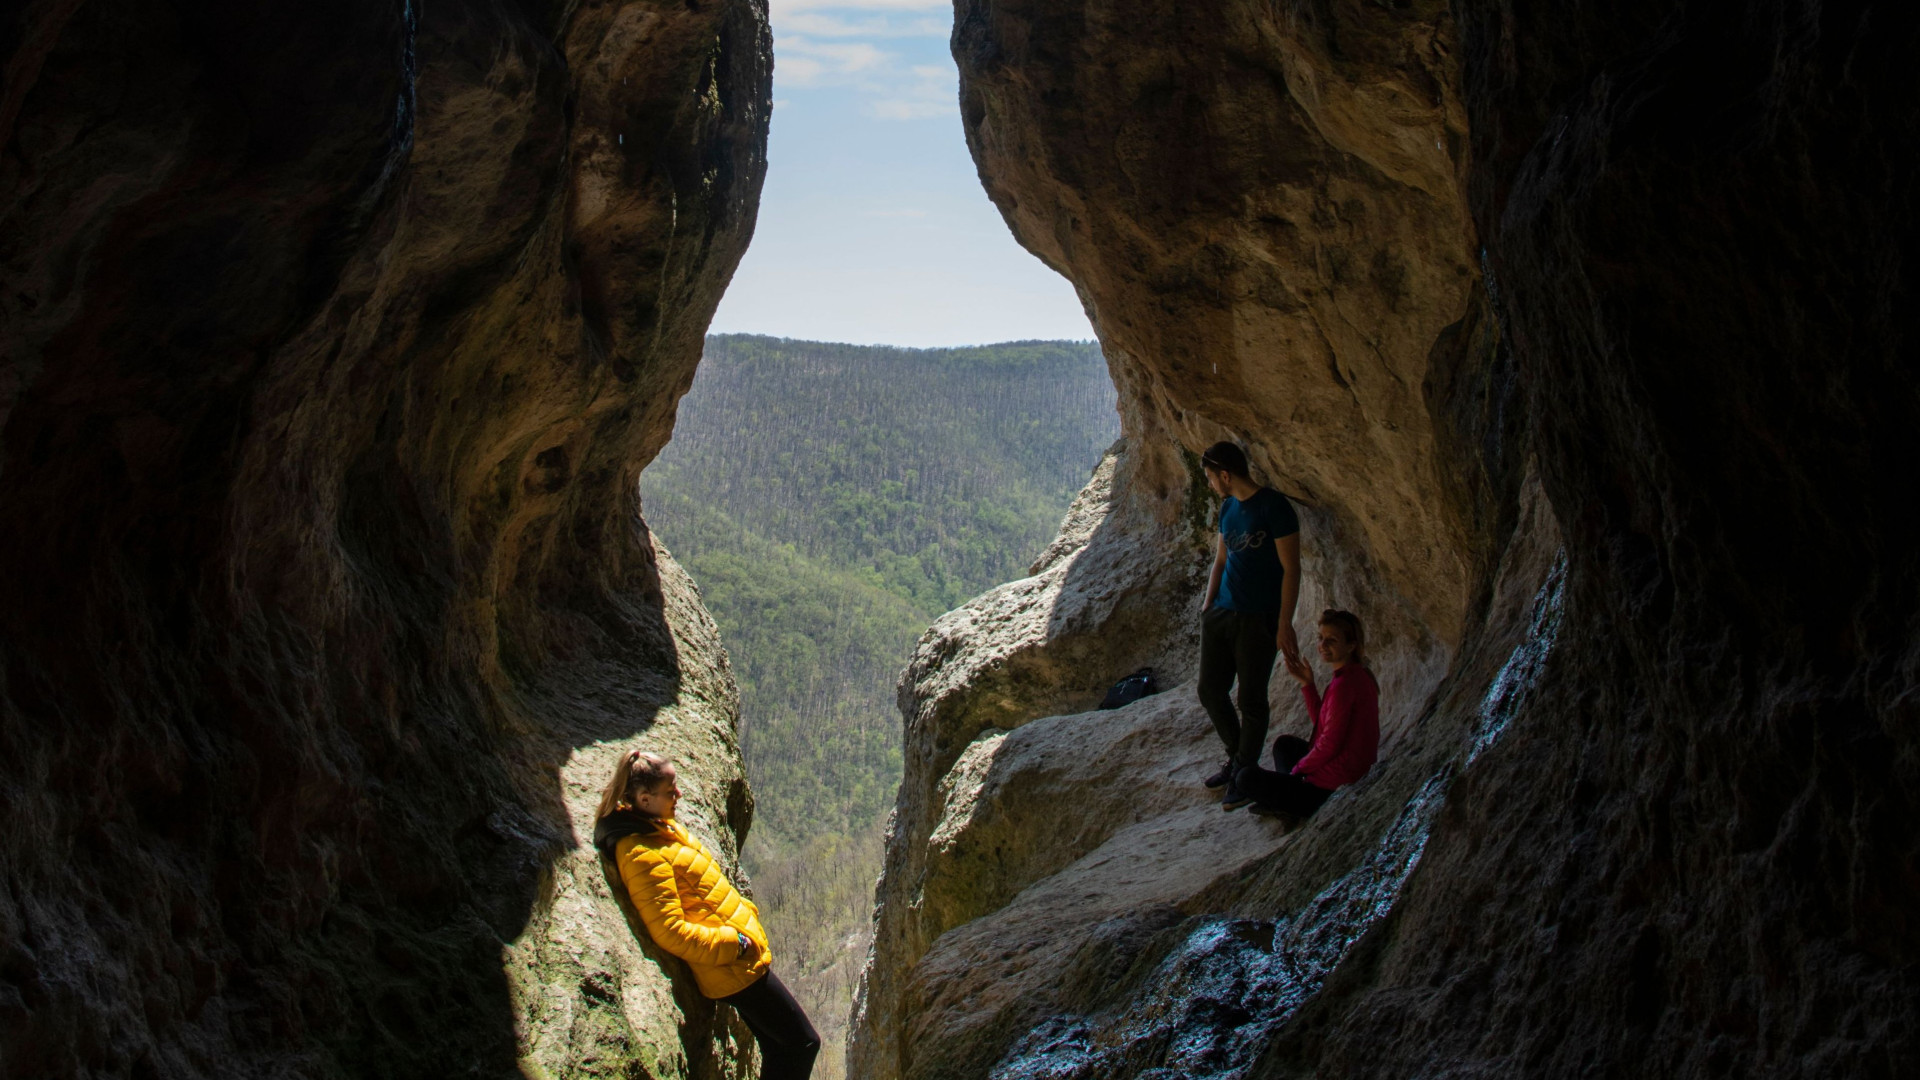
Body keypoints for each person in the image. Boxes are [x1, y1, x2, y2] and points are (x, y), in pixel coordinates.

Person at [594, 751, 820, 1079]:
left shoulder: (654, 828)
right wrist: (734, 943)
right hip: (731, 967)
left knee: (778, 1047)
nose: (679, 795)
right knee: (803, 1043)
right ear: (645, 799)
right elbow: (669, 930)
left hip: (738, 961)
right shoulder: (640, 852)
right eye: (670, 791)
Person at [1195, 440, 1303, 811]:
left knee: (1251, 699)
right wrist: (1209, 605)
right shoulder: (1227, 508)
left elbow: (1292, 568)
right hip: (1223, 614)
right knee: (1210, 690)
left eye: (1211, 477)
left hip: (1260, 617)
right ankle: (1240, 760)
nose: (1210, 484)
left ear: (1225, 475)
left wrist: (1284, 622)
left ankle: (1244, 773)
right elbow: (1221, 560)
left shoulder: (1274, 507)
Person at [1238, 609, 1381, 822]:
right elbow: (1323, 728)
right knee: (1285, 745)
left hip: (1330, 788)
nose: (1323, 645)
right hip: (1341, 772)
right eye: (1321, 638)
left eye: (1331, 640)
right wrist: (1307, 684)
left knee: (1245, 778)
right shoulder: (1355, 675)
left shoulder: (1344, 686)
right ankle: (1287, 796)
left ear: (1351, 646)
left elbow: (1329, 744)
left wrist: (1299, 770)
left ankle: (1293, 806)